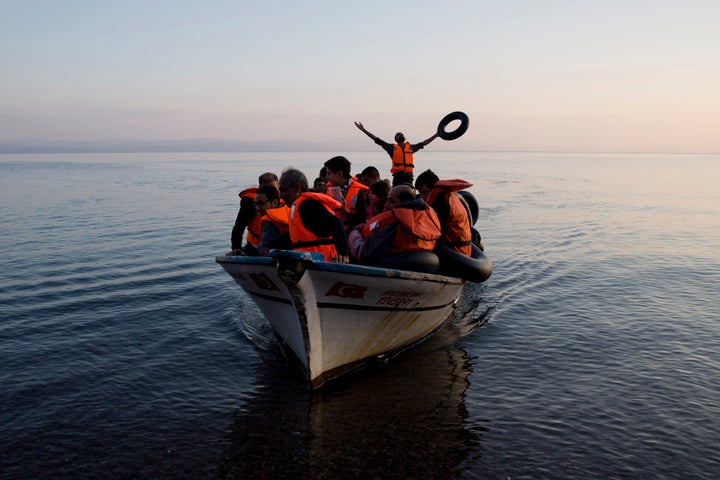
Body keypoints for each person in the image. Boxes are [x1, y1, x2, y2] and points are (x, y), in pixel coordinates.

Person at [348, 184, 441, 264]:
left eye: (391, 201)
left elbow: (363, 253)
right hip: (425, 264)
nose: (386, 205)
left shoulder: (394, 224)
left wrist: (354, 232)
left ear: (405, 203)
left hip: (391, 267)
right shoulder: (428, 221)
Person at [278, 167, 349, 263]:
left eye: (283, 190)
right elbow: (293, 235)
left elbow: (336, 223)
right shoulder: (300, 206)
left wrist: (343, 254)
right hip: (309, 262)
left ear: (297, 188)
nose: (281, 196)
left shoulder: (307, 205)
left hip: (322, 263)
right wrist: (268, 246)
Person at [354, 121, 439, 187]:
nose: (399, 135)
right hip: (398, 177)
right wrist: (363, 129)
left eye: (401, 134)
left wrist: (436, 135)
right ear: (396, 139)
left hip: (409, 178)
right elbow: (377, 140)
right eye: (398, 135)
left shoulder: (411, 148)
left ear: (404, 137)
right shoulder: (391, 148)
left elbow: (424, 143)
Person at [415, 169, 473, 256]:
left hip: (456, 253)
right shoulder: (448, 196)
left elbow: (438, 233)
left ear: (433, 188)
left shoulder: (441, 201)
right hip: (461, 249)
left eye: (424, 192)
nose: (423, 198)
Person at [230, 172, 278, 255]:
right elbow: (239, 225)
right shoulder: (250, 202)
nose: (270, 191)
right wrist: (236, 247)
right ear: (260, 187)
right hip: (255, 244)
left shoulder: (283, 198)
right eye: (267, 188)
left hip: (275, 244)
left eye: (273, 188)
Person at [323, 155, 369, 231]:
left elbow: (361, 222)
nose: (327, 177)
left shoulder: (358, 192)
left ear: (340, 173)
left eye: (329, 173)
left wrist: (344, 210)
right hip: (330, 233)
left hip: (349, 233)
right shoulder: (326, 189)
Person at [254, 185, 291, 256]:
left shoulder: (269, 222)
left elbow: (263, 250)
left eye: (261, 203)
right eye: (255, 204)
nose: (257, 208)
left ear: (275, 203)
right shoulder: (290, 211)